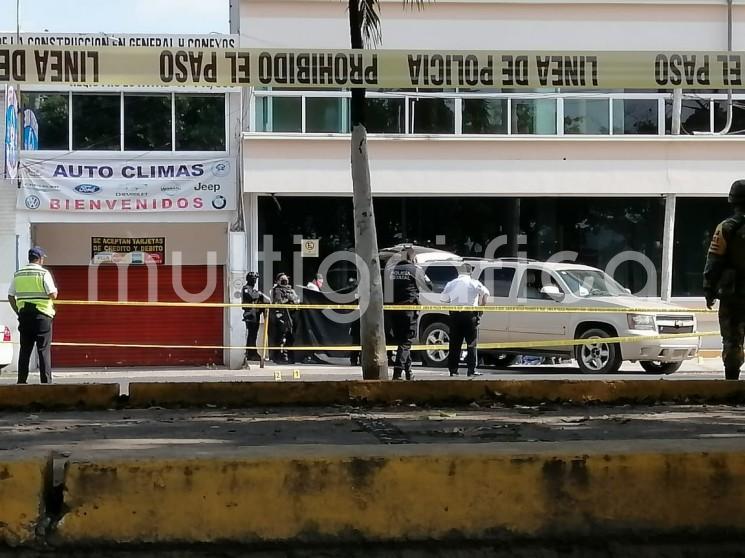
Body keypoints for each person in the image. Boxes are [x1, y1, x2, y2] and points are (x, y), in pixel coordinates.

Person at [704, 179, 745, 380]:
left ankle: (732, 383)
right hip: (733, 293)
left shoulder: (726, 227)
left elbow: (714, 261)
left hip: (734, 294)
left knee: (732, 341)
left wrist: (709, 289)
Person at [8, 246, 58, 384]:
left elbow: (11, 295)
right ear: (40, 259)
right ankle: (46, 383)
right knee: (43, 350)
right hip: (42, 316)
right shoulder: (43, 273)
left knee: (25, 350)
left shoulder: (19, 274)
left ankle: (21, 382)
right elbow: (52, 294)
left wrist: (18, 310)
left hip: (24, 316)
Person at [441, 262, 490, 377]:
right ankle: (471, 370)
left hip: (455, 316)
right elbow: (486, 293)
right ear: (470, 272)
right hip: (470, 315)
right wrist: (481, 307)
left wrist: (453, 300)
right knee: (471, 343)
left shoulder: (451, 283)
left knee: (454, 344)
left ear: (459, 271)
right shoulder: (474, 283)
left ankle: (453, 370)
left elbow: (443, 299)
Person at [386, 245, 428, 380]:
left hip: (393, 310)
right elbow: (429, 286)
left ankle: (409, 372)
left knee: (401, 341)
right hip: (408, 309)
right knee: (406, 341)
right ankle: (397, 373)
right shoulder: (415, 269)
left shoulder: (390, 270)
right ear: (412, 257)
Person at [241, 272, 270, 364]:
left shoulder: (254, 290)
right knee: (251, 335)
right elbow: (251, 296)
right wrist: (259, 294)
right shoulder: (246, 289)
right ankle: (251, 353)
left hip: (256, 315)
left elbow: (266, 301)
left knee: (254, 335)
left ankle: (252, 352)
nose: (254, 281)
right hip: (250, 315)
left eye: (255, 279)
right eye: (253, 279)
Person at [270, 272, 299, 364]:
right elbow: (278, 302)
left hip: (291, 316)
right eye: (282, 279)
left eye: (286, 279)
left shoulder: (291, 290)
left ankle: (288, 355)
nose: (284, 281)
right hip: (280, 316)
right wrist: (288, 299)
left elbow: (296, 301)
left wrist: (292, 300)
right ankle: (279, 356)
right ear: (278, 281)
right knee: (281, 337)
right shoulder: (276, 290)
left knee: (290, 337)